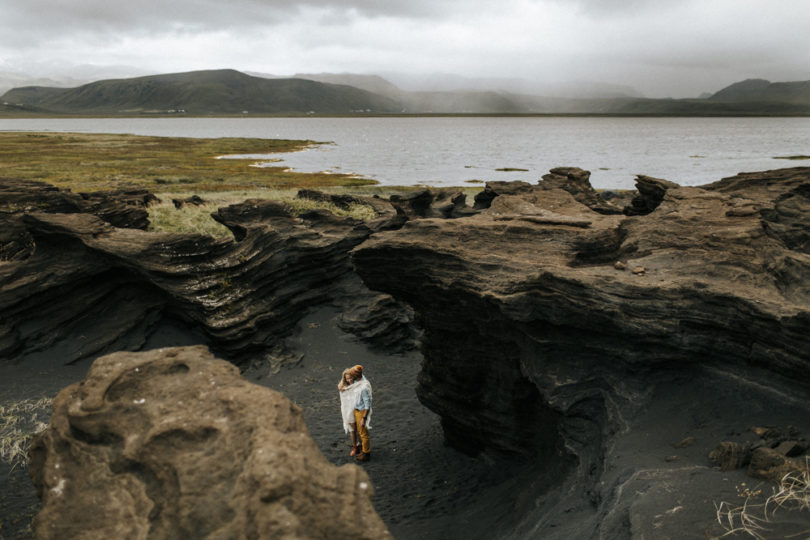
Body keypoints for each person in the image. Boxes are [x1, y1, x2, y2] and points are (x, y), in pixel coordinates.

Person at [350, 364, 372, 462]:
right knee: (360, 432)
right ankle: (363, 450)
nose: (351, 375)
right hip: (356, 409)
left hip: (361, 411)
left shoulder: (363, 387)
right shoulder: (357, 381)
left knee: (363, 433)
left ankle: (366, 453)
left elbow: (367, 403)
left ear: (356, 375)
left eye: (352, 373)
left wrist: (364, 418)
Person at [338, 368, 361, 456]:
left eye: (351, 378)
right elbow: (341, 388)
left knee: (359, 429)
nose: (349, 380)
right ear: (344, 379)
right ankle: (355, 447)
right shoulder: (342, 386)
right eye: (347, 378)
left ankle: (360, 446)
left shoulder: (358, 384)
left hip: (357, 409)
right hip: (347, 410)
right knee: (352, 430)